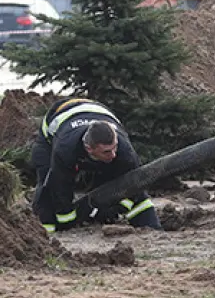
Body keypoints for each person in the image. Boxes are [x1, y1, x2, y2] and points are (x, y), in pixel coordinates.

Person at [30, 97, 162, 234]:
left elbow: (136, 184)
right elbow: (60, 189)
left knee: (136, 192)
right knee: (47, 187)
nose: (113, 155)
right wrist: (68, 222)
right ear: (89, 148)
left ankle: (152, 229)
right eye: (106, 151)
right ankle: (43, 234)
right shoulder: (65, 149)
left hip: (97, 110)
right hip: (56, 121)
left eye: (114, 147)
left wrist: (118, 207)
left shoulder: (124, 150)